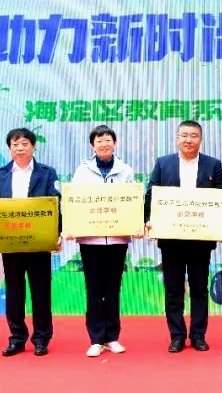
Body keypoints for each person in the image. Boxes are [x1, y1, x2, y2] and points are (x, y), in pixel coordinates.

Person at [143, 120, 222, 353]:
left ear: (201, 139)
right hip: (171, 239)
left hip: (201, 239)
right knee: (174, 289)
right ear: (177, 138)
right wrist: (149, 220)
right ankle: (177, 336)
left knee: (200, 288)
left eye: (193, 135)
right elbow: (151, 195)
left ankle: (198, 335)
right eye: (184, 135)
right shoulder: (163, 163)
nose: (188, 140)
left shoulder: (213, 165)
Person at [0, 127, 61, 357]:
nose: (20, 148)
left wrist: (56, 233)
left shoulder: (47, 173)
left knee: (41, 292)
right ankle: (17, 337)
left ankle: (41, 338)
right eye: (15, 144)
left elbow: (56, 205)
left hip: (39, 244)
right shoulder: (0, 175)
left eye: (24, 144)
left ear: (33, 147)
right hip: (10, 243)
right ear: (9, 148)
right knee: (14, 292)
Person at [67, 124, 136, 358]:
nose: (104, 144)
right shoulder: (82, 171)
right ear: (92, 145)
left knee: (113, 289)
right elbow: (74, 202)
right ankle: (96, 339)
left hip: (117, 239)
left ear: (114, 143)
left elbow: (133, 203)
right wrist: (71, 227)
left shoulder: (125, 170)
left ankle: (112, 337)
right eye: (99, 140)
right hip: (90, 240)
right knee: (94, 289)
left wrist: (136, 225)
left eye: (108, 140)